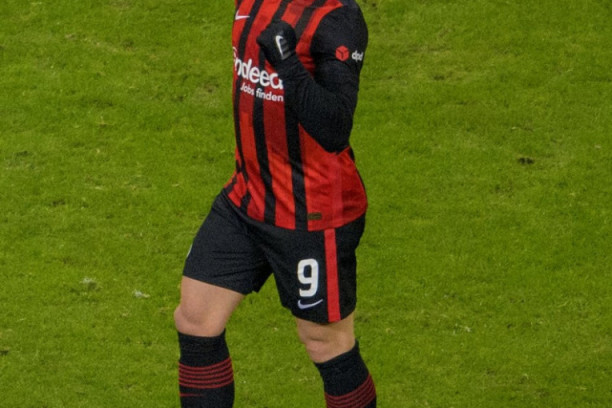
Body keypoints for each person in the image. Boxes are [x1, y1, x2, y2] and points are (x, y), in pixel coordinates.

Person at [173, 0, 376, 407]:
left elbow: (335, 128)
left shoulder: (337, 18)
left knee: (326, 343)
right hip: (248, 195)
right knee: (196, 318)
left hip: (313, 214)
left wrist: (287, 63)